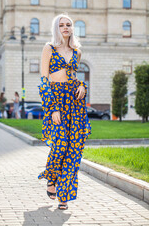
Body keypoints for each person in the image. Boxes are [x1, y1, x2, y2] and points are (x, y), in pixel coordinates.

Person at [38, 14, 91, 210]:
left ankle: (64, 195)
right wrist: (52, 108)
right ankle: (51, 179)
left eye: (68, 24)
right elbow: (44, 80)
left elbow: (73, 77)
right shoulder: (49, 48)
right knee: (60, 144)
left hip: (74, 103)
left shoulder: (77, 51)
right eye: (61, 25)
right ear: (56, 28)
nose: (65, 27)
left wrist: (83, 86)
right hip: (56, 100)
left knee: (74, 149)